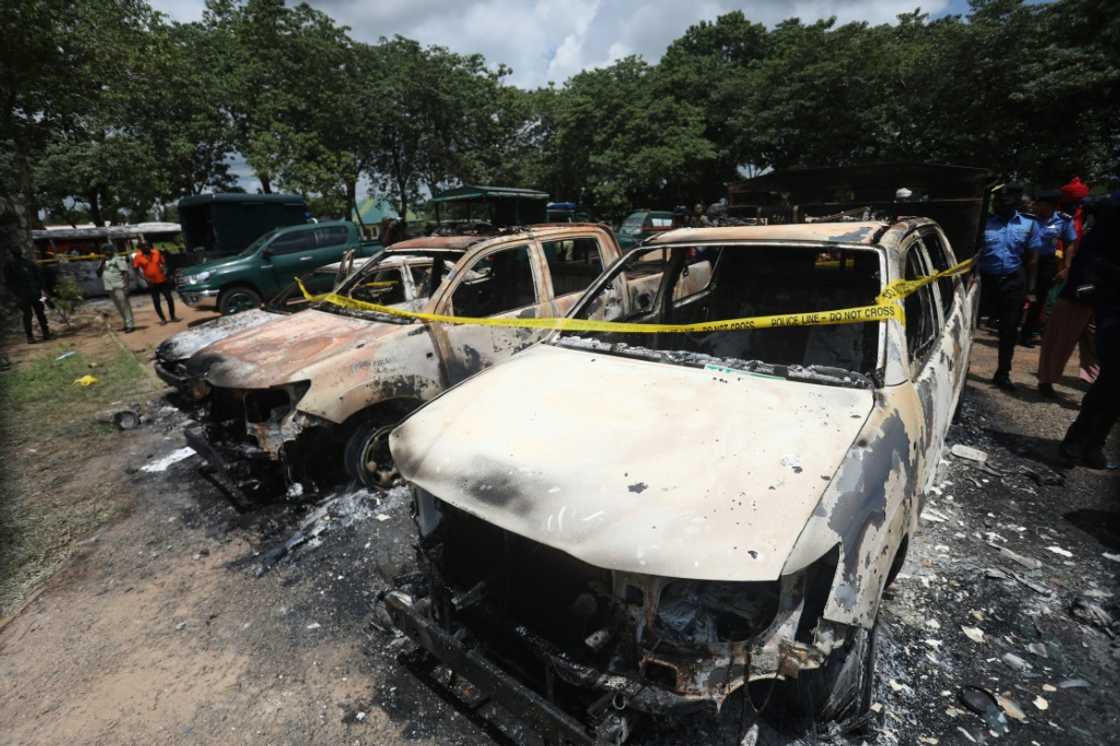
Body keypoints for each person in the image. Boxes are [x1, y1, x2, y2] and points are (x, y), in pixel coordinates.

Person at [1060, 195, 1119, 468]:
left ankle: (1095, 441)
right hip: (1114, 304)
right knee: (1111, 379)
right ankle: (1078, 440)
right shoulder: (1112, 212)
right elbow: (1092, 257)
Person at [978, 183, 1042, 390]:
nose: (998, 205)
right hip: (985, 281)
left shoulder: (1029, 225)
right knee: (967, 325)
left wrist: (1031, 290)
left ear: (1015, 203)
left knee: (1009, 329)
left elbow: (1032, 259)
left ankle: (1003, 373)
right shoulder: (984, 223)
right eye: (996, 201)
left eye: (1003, 202)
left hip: (1013, 281)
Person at [1020, 190, 1076, 346]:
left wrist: (1066, 267)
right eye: (1037, 203)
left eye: (1041, 204)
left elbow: (1070, 242)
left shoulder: (1063, 221)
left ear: (1052, 206)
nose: (1037, 206)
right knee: (1020, 293)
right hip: (1025, 259)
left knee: (1039, 298)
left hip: (1046, 262)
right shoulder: (1028, 218)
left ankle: (1027, 333)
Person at [3, 245, 51, 343]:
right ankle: (37, 335)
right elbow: (9, 282)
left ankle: (38, 335)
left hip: (29, 294)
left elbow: (38, 278)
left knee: (32, 315)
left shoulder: (24, 264)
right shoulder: (14, 265)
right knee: (34, 314)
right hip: (28, 294)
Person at [132, 240, 178, 324]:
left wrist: (164, 269)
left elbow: (163, 263)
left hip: (162, 280)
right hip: (152, 283)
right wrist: (145, 279)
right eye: (144, 246)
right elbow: (135, 270)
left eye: (147, 245)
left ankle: (173, 317)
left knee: (169, 298)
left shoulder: (156, 252)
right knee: (156, 301)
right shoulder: (137, 257)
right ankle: (163, 319)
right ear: (140, 248)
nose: (147, 247)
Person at [97, 242, 134, 332]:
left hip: (119, 285)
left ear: (112, 250)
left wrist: (126, 287)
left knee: (125, 306)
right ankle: (126, 324)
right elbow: (98, 274)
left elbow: (125, 273)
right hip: (109, 287)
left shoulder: (118, 259)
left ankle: (130, 325)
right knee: (119, 307)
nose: (106, 252)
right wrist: (102, 263)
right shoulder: (103, 261)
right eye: (104, 250)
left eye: (108, 250)